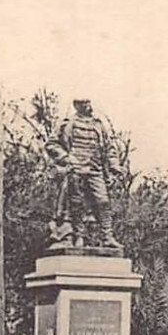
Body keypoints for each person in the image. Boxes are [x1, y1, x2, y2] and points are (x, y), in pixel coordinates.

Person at [47, 98, 120, 251]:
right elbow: (52, 144)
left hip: (95, 169)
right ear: (76, 105)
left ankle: (107, 237)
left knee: (103, 202)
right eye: (83, 103)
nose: (88, 106)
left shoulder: (98, 125)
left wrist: (114, 167)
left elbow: (110, 148)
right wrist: (67, 158)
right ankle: (78, 236)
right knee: (76, 203)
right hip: (75, 169)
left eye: (88, 102)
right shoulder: (67, 123)